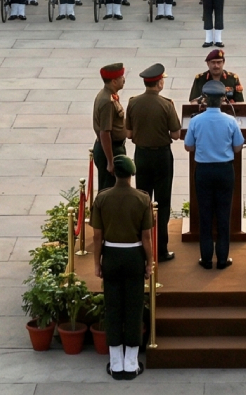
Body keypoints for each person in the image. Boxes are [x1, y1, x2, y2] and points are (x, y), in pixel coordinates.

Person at [90, 153, 152, 381]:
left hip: (112, 256)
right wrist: (149, 263)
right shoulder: (142, 199)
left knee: (113, 307)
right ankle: (131, 364)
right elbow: (146, 237)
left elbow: (97, 236)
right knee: (134, 308)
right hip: (134, 256)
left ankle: (116, 363)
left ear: (114, 173)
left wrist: (97, 263)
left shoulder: (102, 198)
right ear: (132, 174)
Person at [184, 79, 245, 269]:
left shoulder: (195, 120)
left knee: (205, 214)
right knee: (223, 214)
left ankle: (206, 258)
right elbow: (237, 147)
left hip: (203, 170)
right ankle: (223, 258)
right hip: (224, 170)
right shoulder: (230, 121)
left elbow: (188, 146)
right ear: (222, 100)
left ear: (205, 100)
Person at [125, 63, 180, 261]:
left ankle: (144, 246)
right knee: (163, 203)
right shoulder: (167, 104)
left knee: (144, 201)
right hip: (162, 157)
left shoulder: (133, 103)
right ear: (159, 83)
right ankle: (161, 249)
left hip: (142, 156)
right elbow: (175, 134)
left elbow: (129, 133)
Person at [93, 62, 128, 191]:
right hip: (110, 150)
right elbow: (105, 132)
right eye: (121, 77)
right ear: (114, 81)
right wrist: (110, 161)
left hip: (113, 148)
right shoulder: (107, 101)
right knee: (109, 190)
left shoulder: (109, 96)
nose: (124, 80)